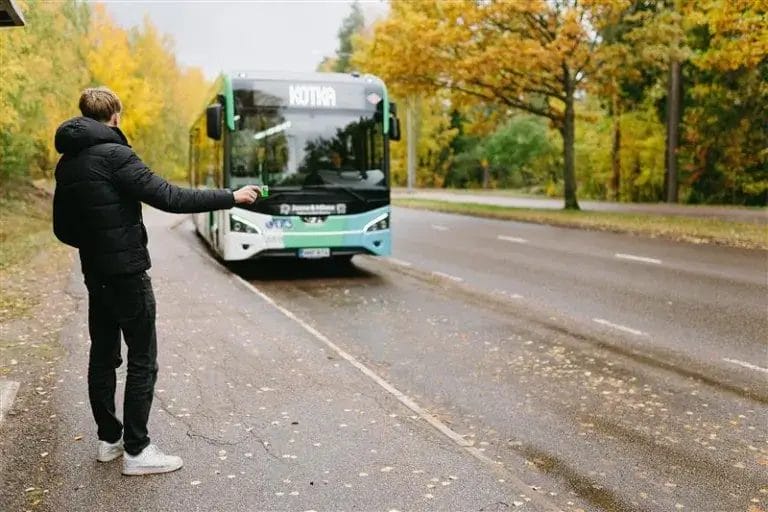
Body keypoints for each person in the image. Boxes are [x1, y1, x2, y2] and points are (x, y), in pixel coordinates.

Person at [52, 87, 261, 476]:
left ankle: (109, 441)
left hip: (95, 274)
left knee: (103, 356)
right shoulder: (116, 155)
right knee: (142, 358)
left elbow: (62, 229)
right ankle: (137, 450)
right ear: (115, 116)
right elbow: (169, 197)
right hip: (127, 275)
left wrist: (97, 243)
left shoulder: (67, 164)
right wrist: (231, 197)